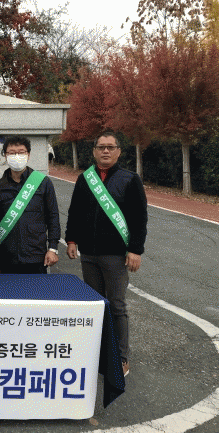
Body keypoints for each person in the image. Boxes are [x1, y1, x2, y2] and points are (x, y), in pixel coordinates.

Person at [65, 132, 147, 377]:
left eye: (110, 147)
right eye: (101, 147)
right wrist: (71, 240)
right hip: (89, 254)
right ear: (94, 151)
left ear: (118, 151)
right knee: (96, 306)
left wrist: (135, 249)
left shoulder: (130, 179)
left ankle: (121, 357)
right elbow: (75, 211)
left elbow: (139, 218)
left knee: (117, 305)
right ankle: (98, 353)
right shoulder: (85, 179)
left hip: (116, 255)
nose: (105, 151)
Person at [0, 136, 60, 274]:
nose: (17, 156)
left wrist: (52, 248)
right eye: (12, 153)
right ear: (5, 156)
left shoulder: (43, 182)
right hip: (7, 257)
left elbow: (53, 216)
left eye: (21, 152)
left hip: (35, 255)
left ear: (28, 155)